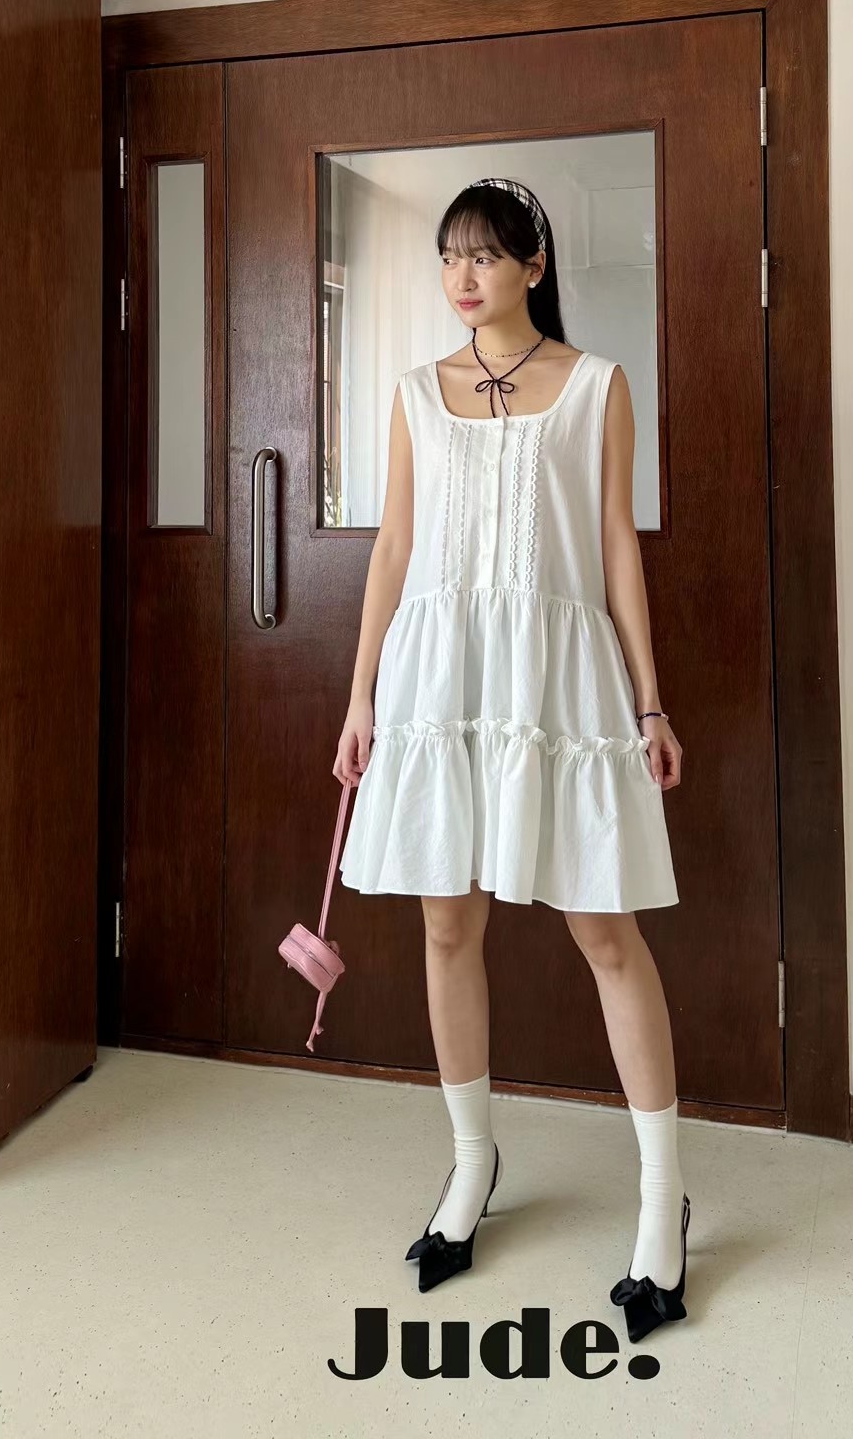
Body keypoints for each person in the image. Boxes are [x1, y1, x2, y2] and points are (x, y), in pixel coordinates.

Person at [332, 177, 689, 1343]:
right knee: (447, 924)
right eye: (449, 257)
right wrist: (361, 697)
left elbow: (617, 550)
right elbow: (394, 548)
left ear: (534, 264)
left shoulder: (596, 387)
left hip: (559, 685)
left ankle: (661, 1200)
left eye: (484, 255)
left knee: (605, 931)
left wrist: (649, 704)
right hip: (441, 683)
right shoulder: (413, 393)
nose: (463, 277)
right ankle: (473, 1161)